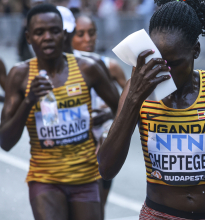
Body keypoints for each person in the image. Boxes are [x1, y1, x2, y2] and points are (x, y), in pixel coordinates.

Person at [97, 0, 205, 219]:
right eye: (159, 63)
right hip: (159, 214)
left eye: (175, 63)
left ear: (196, 51)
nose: (167, 73)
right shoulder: (139, 92)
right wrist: (134, 99)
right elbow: (106, 168)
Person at [0, 4, 119, 220]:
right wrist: (29, 101)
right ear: (28, 37)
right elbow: (5, 142)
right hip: (45, 179)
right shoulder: (20, 75)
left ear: (64, 34)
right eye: (39, 32)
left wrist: (106, 136)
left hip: (86, 177)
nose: (47, 37)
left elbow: (122, 110)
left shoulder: (88, 68)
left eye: (54, 31)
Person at [58, 6, 125, 217]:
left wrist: (109, 117)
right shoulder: (62, 66)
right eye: (81, 34)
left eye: (92, 32)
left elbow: (130, 104)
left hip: (104, 144)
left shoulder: (110, 66)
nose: (88, 39)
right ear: (69, 36)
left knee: (97, 209)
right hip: (74, 145)